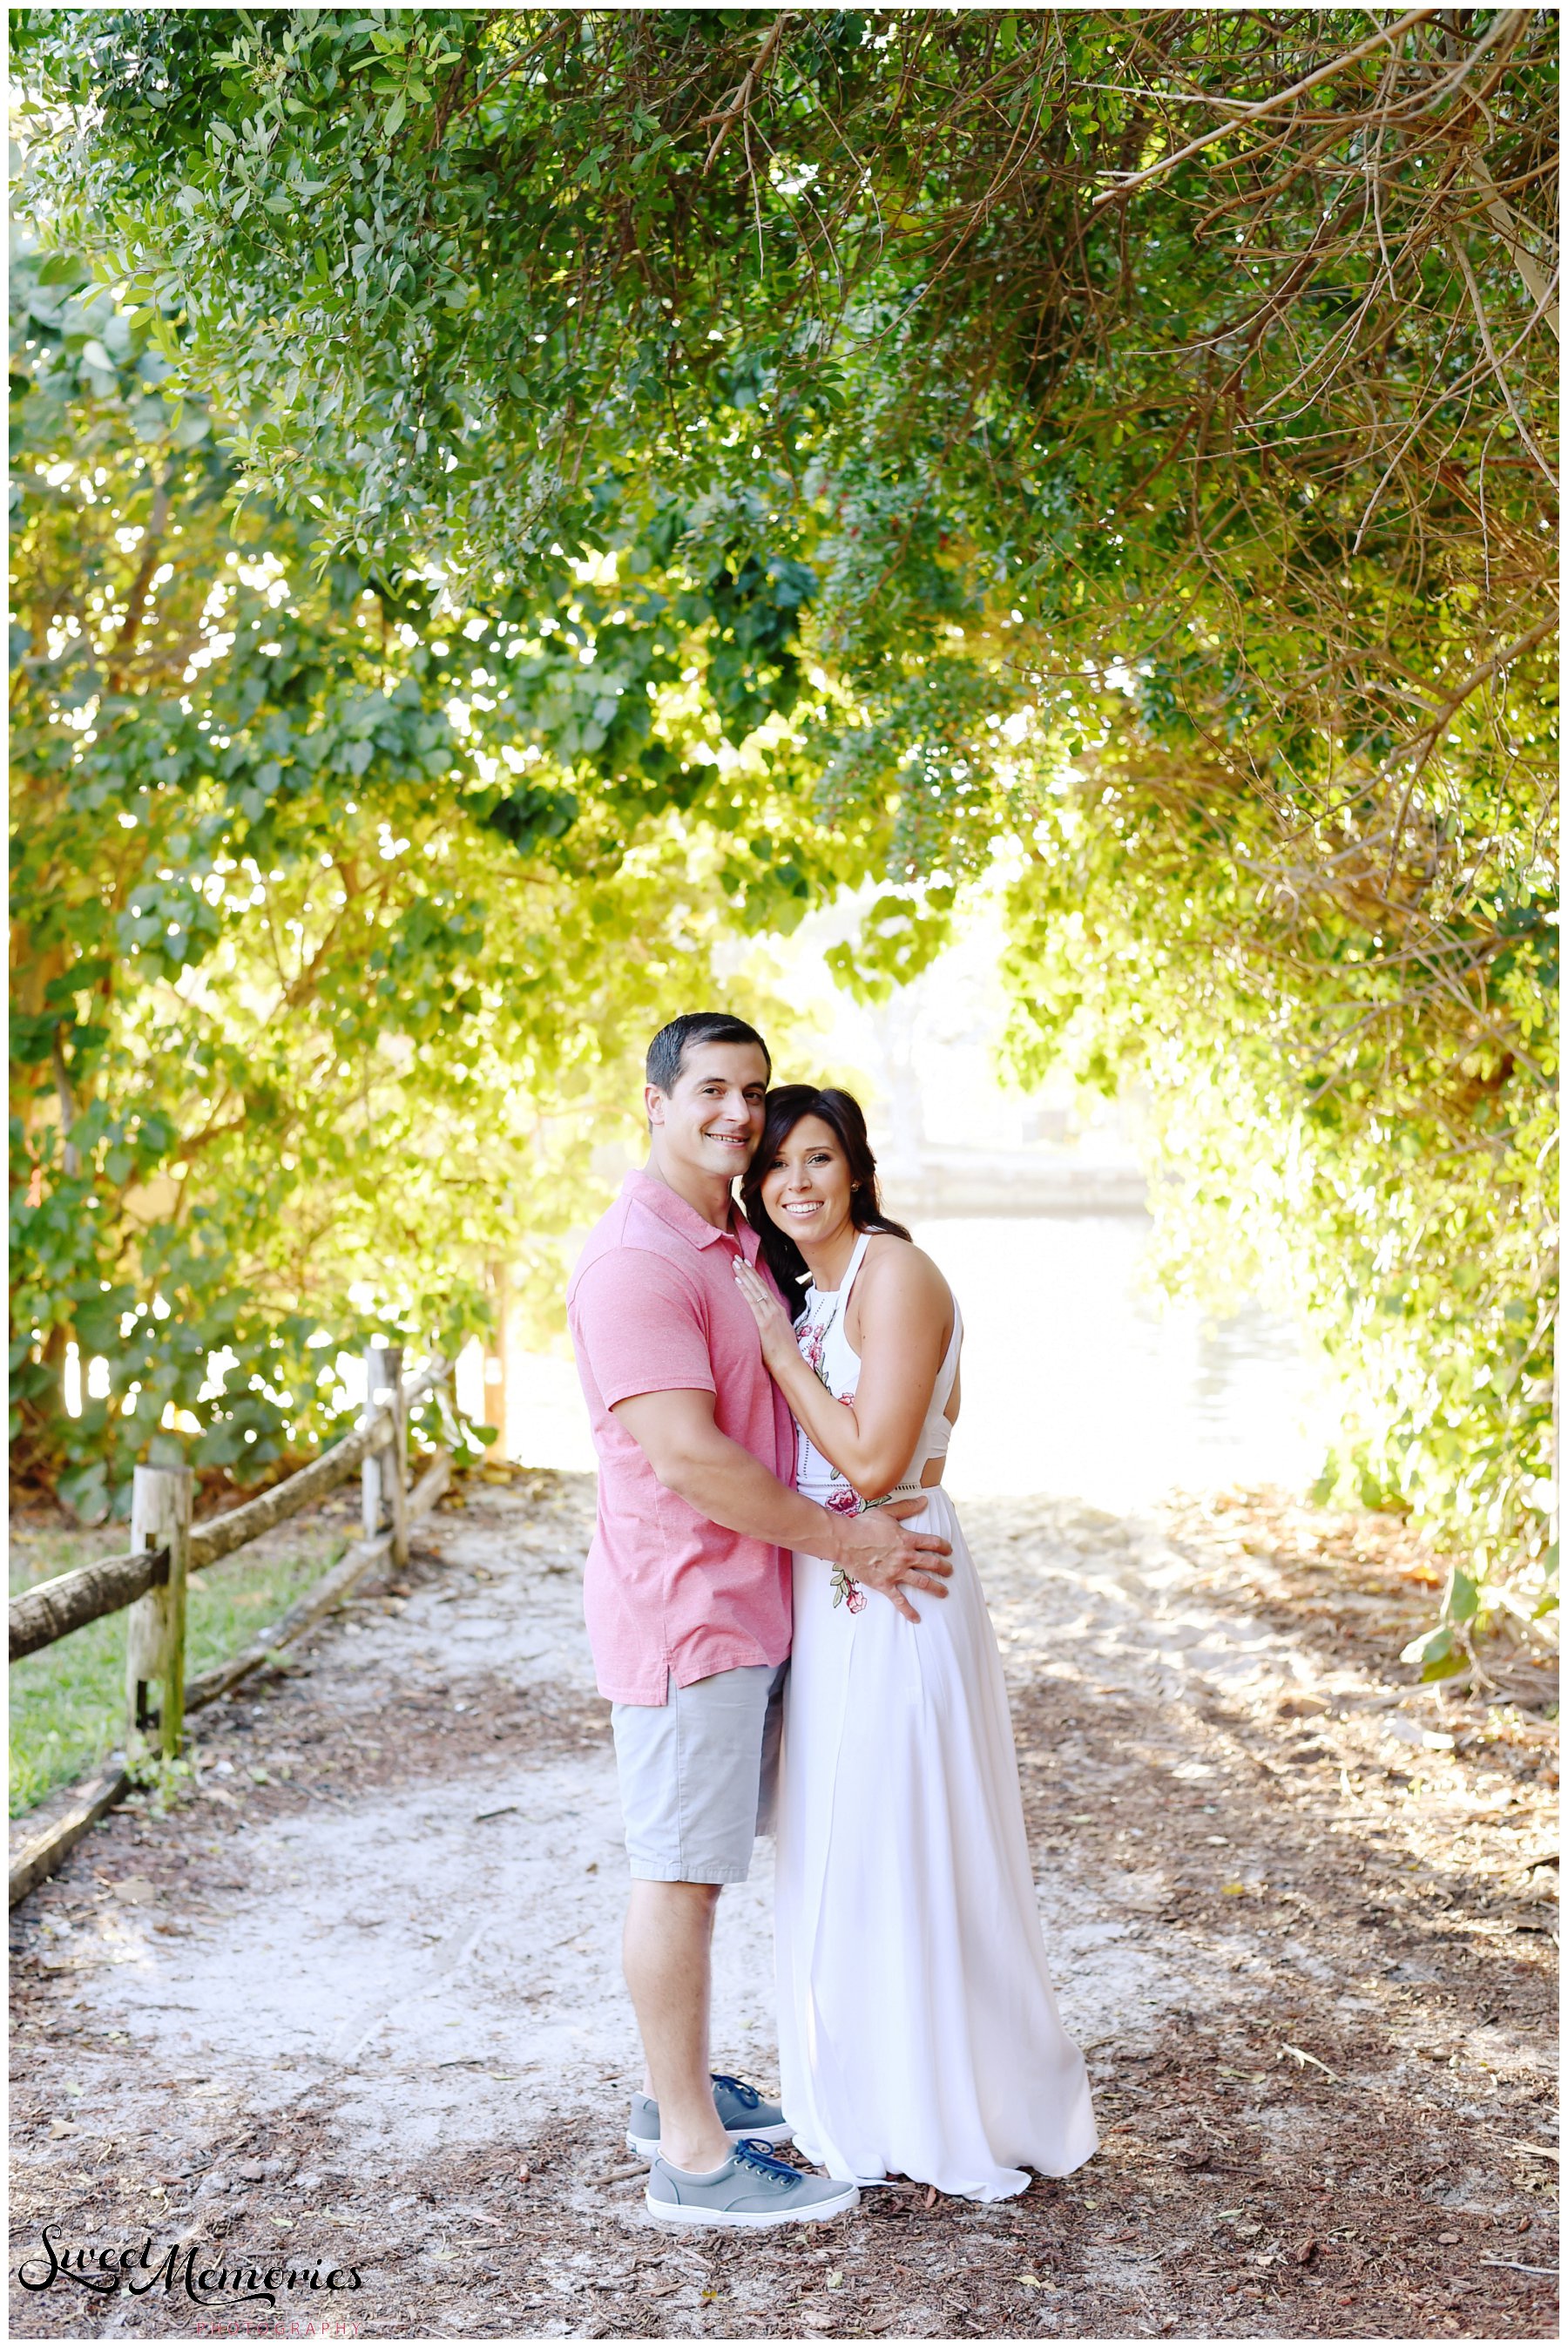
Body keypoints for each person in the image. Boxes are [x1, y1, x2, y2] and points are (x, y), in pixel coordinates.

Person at [565, 1014, 954, 2230]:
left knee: (711, 1867)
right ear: (655, 1102)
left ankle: (679, 2092)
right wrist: (852, 1541)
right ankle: (690, 2152)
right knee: (679, 1872)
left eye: (754, 1092)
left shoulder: (734, 1236)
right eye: (712, 1091)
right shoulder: (638, 1261)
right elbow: (687, 1457)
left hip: (759, 1599)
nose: (739, 1114)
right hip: (689, 1611)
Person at [733, 1083, 1099, 2200]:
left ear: (856, 1169)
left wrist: (780, 1356)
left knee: (906, 1829)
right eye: (778, 1165)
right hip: (838, 1573)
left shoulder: (896, 1272)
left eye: (818, 1158)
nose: (796, 1181)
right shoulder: (819, 1286)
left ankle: (956, 2100)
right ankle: (869, 2091)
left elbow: (876, 1464)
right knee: (843, 1836)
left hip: (898, 1574)